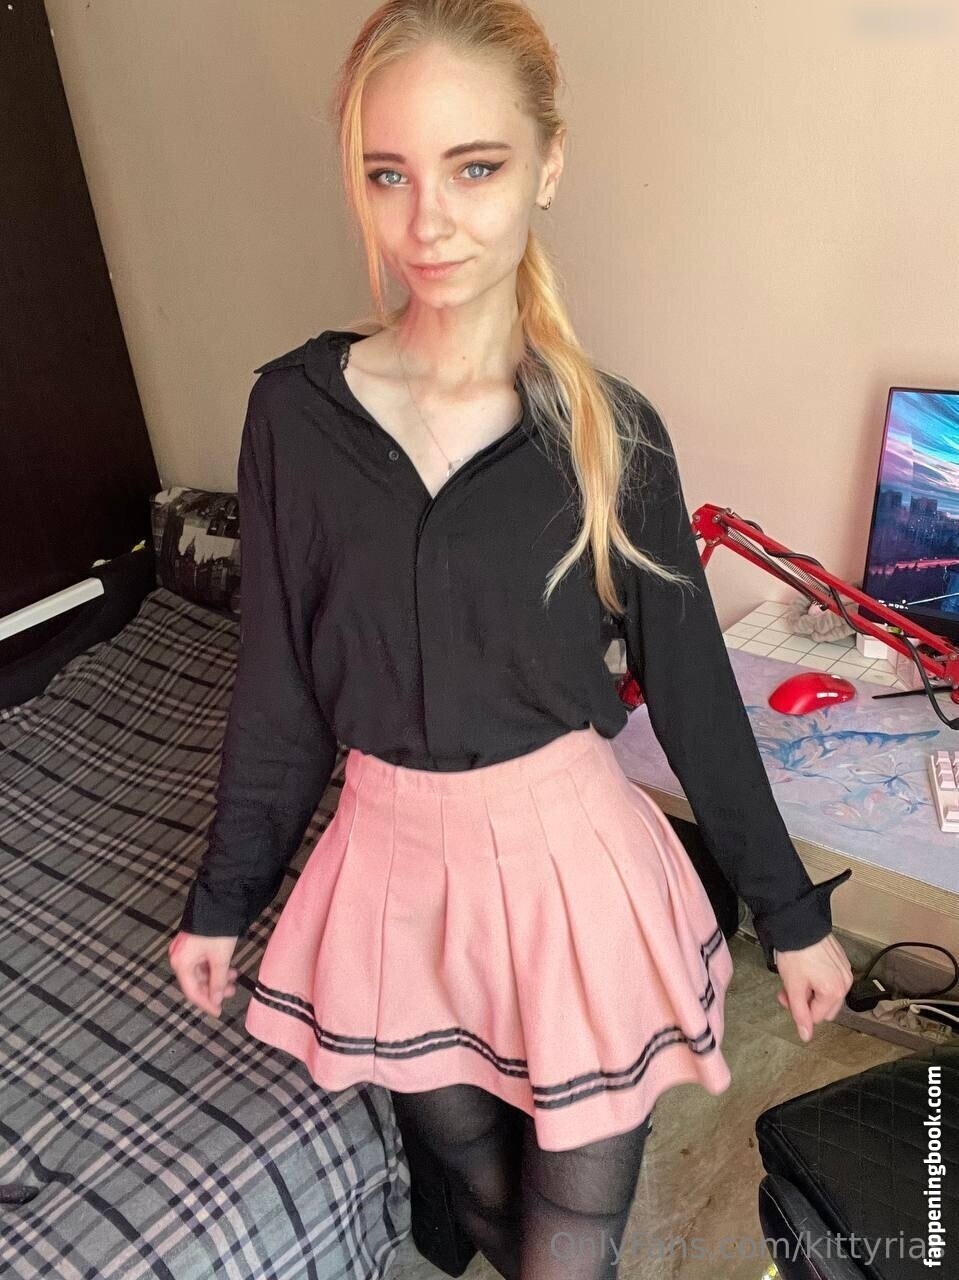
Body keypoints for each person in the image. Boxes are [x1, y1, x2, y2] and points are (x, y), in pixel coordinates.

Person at [168, 2, 855, 1276]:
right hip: (388, 869)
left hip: (566, 869)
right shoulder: (292, 416)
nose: (427, 220)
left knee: (567, 1235)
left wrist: (790, 909)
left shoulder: (609, 433)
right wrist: (225, 898)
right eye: (388, 174)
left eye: (473, 167)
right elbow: (279, 689)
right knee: (479, 1188)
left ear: (547, 165)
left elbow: (693, 695)